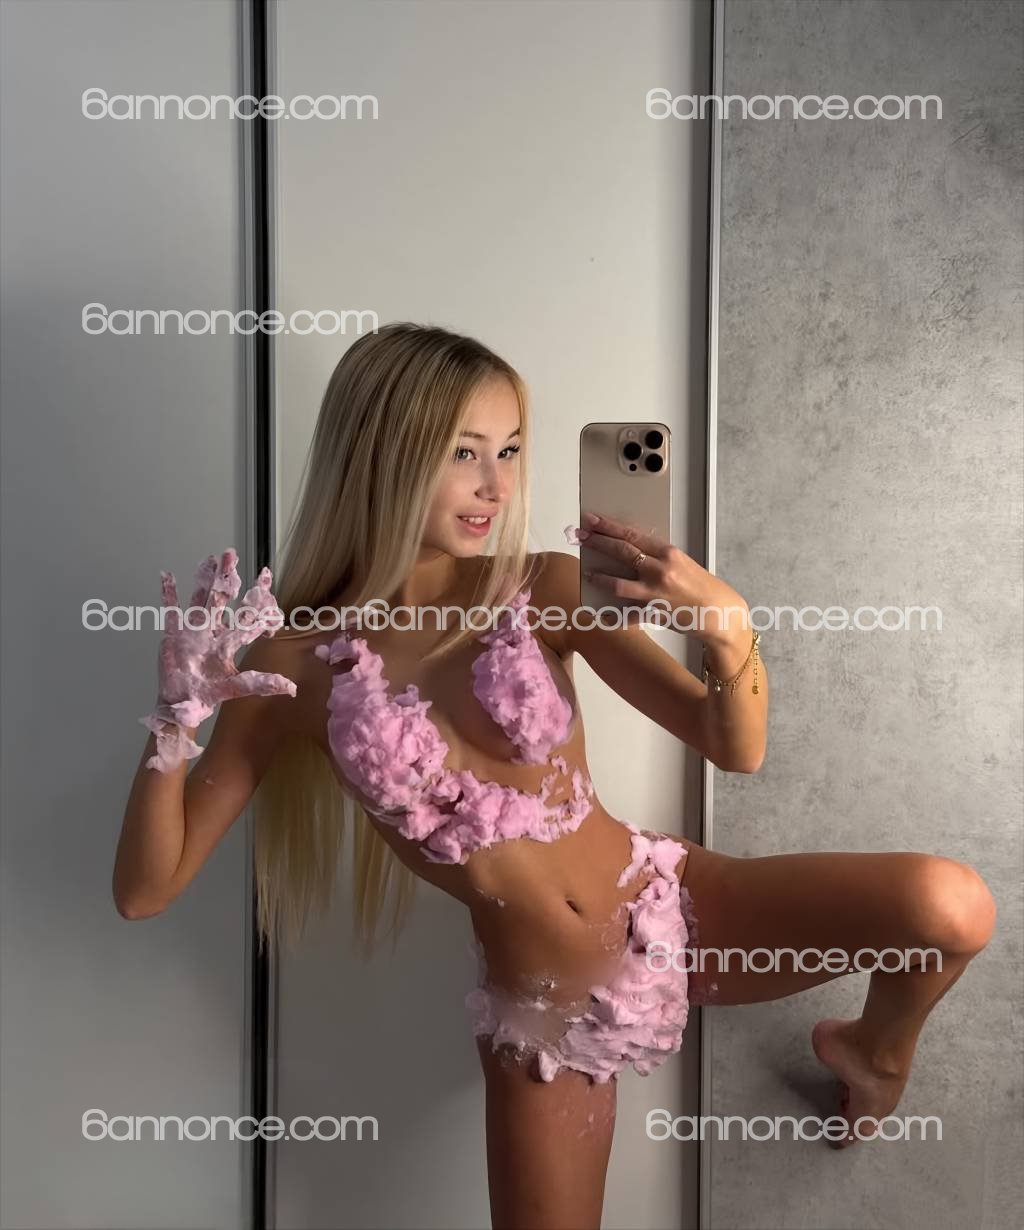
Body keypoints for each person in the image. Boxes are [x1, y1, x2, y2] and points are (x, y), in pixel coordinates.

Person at [113, 322, 997, 1230]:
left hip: (671, 909)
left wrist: (728, 628)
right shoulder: (291, 665)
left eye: (509, 451)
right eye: (464, 453)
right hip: (546, 1018)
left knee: (952, 908)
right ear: (381, 454)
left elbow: (731, 745)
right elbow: (146, 890)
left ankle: (874, 1054)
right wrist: (174, 724)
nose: (496, 487)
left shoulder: (544, 587)